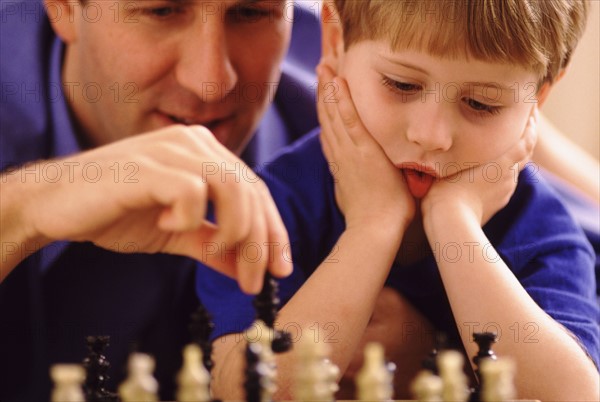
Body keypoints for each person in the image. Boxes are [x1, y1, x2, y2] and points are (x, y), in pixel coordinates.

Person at [0, 0, 597, 400]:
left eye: (254, 9)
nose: (213, 80)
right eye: (161, 8)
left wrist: (443, 342)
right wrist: (21, 210)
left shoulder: (399, 76)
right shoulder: (315, 161)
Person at [197, 1, 599, 400]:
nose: (432, 136)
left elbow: (573, 396)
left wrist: (454, 222)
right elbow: (248, 389)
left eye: (481, 104)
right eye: (403, 85)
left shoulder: (538, 227)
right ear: (336, 40)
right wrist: (374, 224)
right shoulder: (267, 204)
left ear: (537, 99)